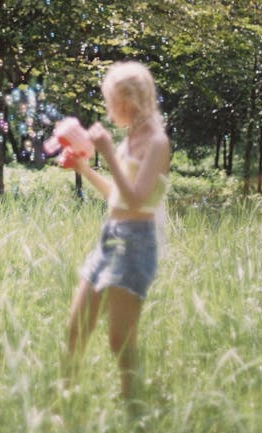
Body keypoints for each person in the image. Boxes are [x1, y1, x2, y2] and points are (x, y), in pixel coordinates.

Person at [64, 61, 170, 402]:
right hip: (110, 236)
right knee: (76, 327)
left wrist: (108, 152)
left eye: (112, 101)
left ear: (128, 100)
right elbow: (116, 195)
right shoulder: (130, 140)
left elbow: (138, 198)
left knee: (119, 340)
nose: (110, 110)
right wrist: (83, 166)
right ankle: (64, 399)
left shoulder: (157, 142)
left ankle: (132, 405)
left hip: (136, 243)